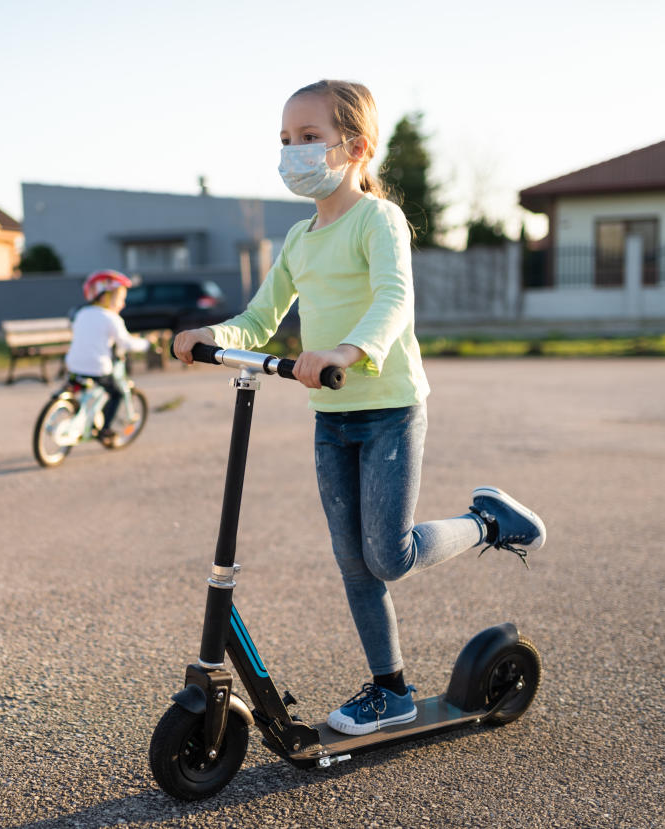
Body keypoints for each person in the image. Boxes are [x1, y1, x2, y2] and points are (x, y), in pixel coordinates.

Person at [172, 79, 546, 737]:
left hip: (390, 409)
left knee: (389, 556)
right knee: (355, 564)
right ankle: (390, 688)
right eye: (286, 140)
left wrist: (347, 349)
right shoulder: (298, 240)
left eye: (309, 138)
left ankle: (487, 521)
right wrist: (214, 337)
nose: (294, 152)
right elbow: (262, 317)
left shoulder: (379, 220)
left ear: (357, 146)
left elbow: (393, 299)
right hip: (332, 415)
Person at [66, 270, 153, 440]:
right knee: (117, 393)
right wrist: (147, 344)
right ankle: (105, 429)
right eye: (120, 299)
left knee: (87, 388)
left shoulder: (81, 314)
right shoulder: (111, 318)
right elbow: (126, 343)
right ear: (105, 297)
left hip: (73, 364)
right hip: (97, 367)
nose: (123, 304)